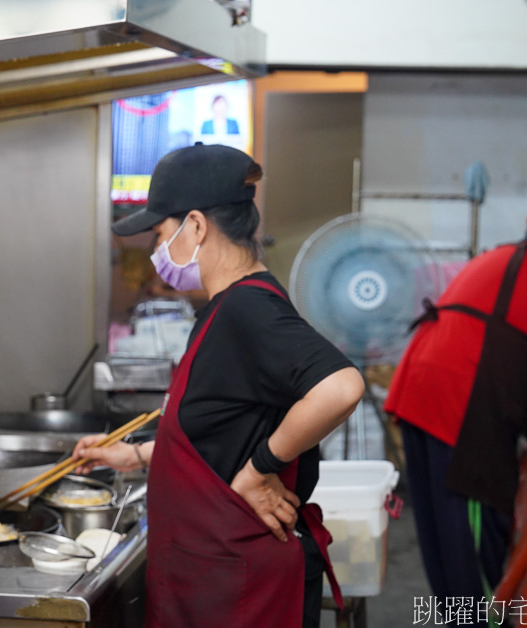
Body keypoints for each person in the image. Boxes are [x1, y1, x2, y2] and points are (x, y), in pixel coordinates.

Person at [73, 144, 365, 628]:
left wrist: (261, 468)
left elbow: (341, 386)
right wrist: (138, 454)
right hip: (213, 581)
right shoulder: (225, 309)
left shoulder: (245, 310)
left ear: (196, 226)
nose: (156, 250)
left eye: (160, 233)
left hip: (239, 591)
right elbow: (223, 426)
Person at [383, 185, 527, 623]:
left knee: (444, 542)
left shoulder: (510, 254)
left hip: (420, 388)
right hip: (459, 408)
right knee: (473, 543)